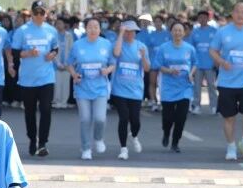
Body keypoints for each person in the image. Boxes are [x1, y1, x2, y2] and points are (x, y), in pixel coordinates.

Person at [209, 2, 243, 161]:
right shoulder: (222, 32)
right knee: (229, 117)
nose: (240, 15)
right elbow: (212, 50)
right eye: (238, 12)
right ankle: (231, 146)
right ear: (232, 14)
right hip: (227, 82)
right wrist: (222, 62)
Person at [11, 0, 59, 157]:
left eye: (42, 12)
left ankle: (43, 143)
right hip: (28, 79)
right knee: (30, 112)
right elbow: (15, 52)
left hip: (46, 78)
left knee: (46, 109)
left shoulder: (51, 30)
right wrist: (28, 53)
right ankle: (32, 139)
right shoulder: (22, 31)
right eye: (36, 12)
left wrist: (53, 54)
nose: (39, 15)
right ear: (31, 13)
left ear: (46, 14)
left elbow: (55, 48)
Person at [67, 18, 115, 160]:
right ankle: (86, 148)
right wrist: (74, 75)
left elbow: (113, 63)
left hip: (100, 88)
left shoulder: (106, 44)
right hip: (82, 88)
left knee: (100, 118)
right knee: (85, 119)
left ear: (100, 29)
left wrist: (107, 70)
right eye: (90, 27)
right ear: (85, 29)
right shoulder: (78, 45)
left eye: (96, 27)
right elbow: (69, 64)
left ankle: (98, 139)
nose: (93, 29)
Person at [153, 21, 197, 153]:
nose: (178, 32)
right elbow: (158, 64)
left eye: (180, 30)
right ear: (171, 32)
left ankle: (175, 142)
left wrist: (191, 74)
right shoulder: (163, 48)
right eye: (175, 30)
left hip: (185, 87)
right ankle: (166, 133)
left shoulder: (190, 48)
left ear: (184, 33)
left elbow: (195, 63)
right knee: (168, 118)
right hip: (168, 87)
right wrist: (169, 71)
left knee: (181, 117)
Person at [111, 20, 150, 160]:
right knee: (124, 117)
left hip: (135, 90)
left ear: (136, 32)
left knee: (135, 121)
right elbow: (116, 53)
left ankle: (134, 136)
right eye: (127, 31)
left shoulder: (141, 46)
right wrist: (121, 34)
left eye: (132, 31)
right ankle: (123, 149)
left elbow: (147, 68)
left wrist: (143, 56)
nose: (129, 34)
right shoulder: (118, 44)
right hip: (119, 89)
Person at [189, 10, 218, 115]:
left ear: (208, 18)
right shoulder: (194, 32)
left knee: (211, 86)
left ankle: (214, 106)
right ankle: (196, 106)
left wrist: (216, 61)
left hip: (210, 64)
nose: (202, 19)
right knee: (197, 86)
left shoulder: (214, 31)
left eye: (204, 17)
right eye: (200, 17)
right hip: (198, 64)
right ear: (198, 19)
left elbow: (217, 48)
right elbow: (191, 49)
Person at [52, 17, 74, 109]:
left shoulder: (69, 35)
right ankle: (57, 101)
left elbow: (72, 50)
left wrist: (67, 63)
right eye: (57, 23)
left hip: (67, 64)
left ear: (64, 24)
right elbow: (52, 50)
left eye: (60, 23)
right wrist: (58, 63)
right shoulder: (53, 35)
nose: (59, 25)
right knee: (57, 84)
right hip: (56, 64)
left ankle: (64, 101)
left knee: (65, 84)